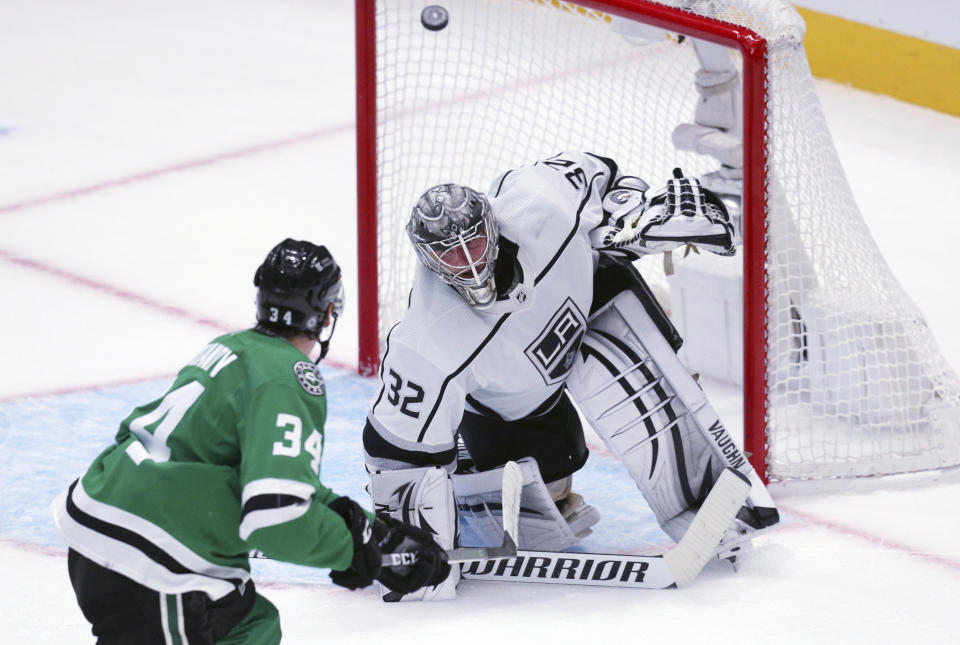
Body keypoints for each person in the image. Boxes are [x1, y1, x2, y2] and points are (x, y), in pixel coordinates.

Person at [363, 152, 780, 600]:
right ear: (429, 259)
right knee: (550, 489)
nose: (468, 262)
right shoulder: (427, 339)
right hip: (516, 402)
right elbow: (394, 448)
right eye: (450, 254)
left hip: (592, 307)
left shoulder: (541, 202)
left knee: (660, 388)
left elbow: (604, 174)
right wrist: (407, 546)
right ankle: (469, 473)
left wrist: (633, 216)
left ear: (492, 225)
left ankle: (711, 504)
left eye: (476, 244)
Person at [52, 239, 449, 643]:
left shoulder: (229, 348)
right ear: (327, 313)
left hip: (109, 523)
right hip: (152, 558)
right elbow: (275, 518)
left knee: (253, 626)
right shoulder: (290, 376)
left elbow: (272, 484)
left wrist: (373, 533)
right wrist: (356, 553)